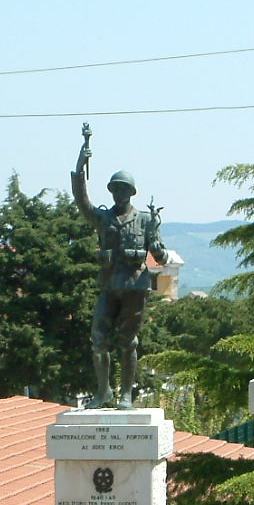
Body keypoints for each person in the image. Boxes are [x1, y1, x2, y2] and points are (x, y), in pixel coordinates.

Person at [71, 139, 169, 410]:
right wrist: (80, 166)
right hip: (108, 286)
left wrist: (159, 248)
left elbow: (160, 256)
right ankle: (104, 392)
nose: (119, 193)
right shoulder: (102, 219)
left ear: (131, 192)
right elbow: (82, 201)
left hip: (135, 287)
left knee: (128, 342)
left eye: (123, 189)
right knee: (99, 341)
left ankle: (126, 394)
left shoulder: (145, 220)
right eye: (115, 189)